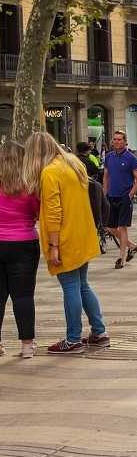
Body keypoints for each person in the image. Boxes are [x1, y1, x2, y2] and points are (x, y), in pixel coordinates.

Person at [23, 132, 108, 354]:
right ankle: (99, 332)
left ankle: (73, 338)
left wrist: (53, 246)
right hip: (83, 233)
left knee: (71, 286)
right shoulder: (72, 164)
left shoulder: (49, 172)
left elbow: (53, 212)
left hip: (65, 237)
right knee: (83, 284)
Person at [0, 141, 40, 358]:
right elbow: (37, 212)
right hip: (24, 242)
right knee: (23, 296)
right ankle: (26, 345)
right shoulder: (30, 184)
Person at [102, 130, 137, 269]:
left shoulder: (131, 158)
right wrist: (104, 193)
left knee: (122, 227)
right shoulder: (109, 157)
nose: (117, 142)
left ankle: (121, 258)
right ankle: (132, 246)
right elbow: (106, 176)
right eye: (115, 139)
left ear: (125, 142)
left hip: (124, 196)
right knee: (109, 226)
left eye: (120, 139)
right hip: (111, 196)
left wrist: (130, 194)